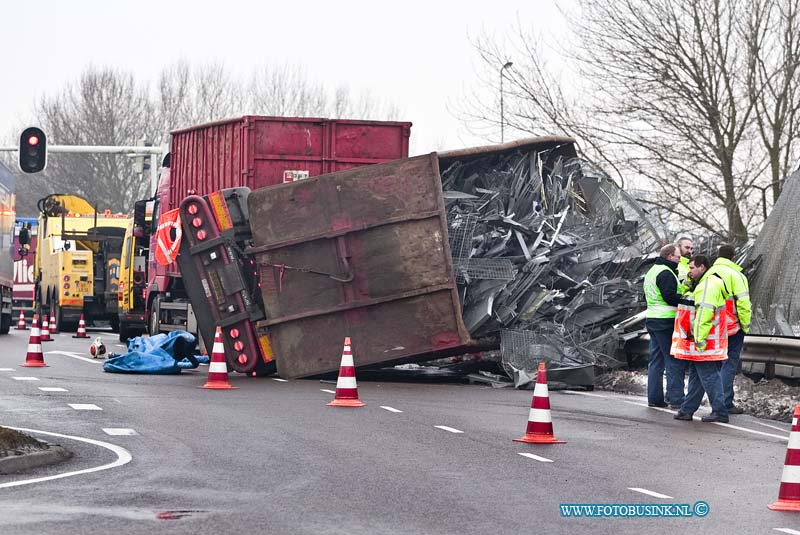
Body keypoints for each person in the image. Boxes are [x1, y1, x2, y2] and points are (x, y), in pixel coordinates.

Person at [672, 255, 730, 423]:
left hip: (704, 340)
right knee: (698, 376)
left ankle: (720, 411)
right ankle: (687, 410)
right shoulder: (703, 283)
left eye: (692, 268)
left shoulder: (708, 285)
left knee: (709, 375)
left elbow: (704, 314)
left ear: (702, 267)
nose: (689, 271)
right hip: (703, 338)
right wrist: (689, 284)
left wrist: (699, 338)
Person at [706, 244, 751, 414]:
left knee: (713, 365)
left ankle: (717, 401)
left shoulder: (708, 273)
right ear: (733, 257)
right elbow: (744, 303)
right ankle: (725, 402)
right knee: (729, 365)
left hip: (711, 326)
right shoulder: (736, 275)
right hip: (731, 327)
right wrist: (745, 326)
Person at [643, 244, 683, 408]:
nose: (680, 260)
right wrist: (685, 299)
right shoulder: (666, 273)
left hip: (652, 318)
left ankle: (655, 398)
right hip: (666, 321)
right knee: (672, 359)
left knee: (656, 361)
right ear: (670, 257)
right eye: (678, 257)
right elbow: (670, 297)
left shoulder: (652, 271)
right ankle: (676, 398)